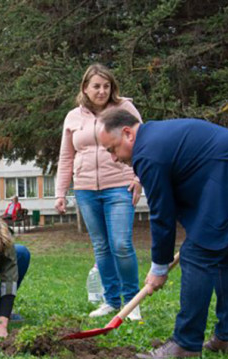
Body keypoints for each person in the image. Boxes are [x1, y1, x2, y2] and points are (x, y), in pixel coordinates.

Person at [98, 109, 228, 359]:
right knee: (226, 258)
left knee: (196, 256)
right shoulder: (158, 138)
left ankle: (186, 343)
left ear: (128, 133)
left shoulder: (146, 152)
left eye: (112, 149)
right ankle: (227, 338)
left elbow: (162, 213)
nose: (114, 158)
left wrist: (159, 267)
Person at [54, 63, 143, 320]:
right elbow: (66, 155)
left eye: (106, 86)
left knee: (121, 244)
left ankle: (131, 302)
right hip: (85, 190)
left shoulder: (124, 109)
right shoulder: (73, 116)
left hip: (119, 185)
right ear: (85, 88)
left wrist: (138, 178)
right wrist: (61, 192)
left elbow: (143, 141)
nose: (102, 91)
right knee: (101, 247)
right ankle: (112, 301)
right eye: (96, 86)